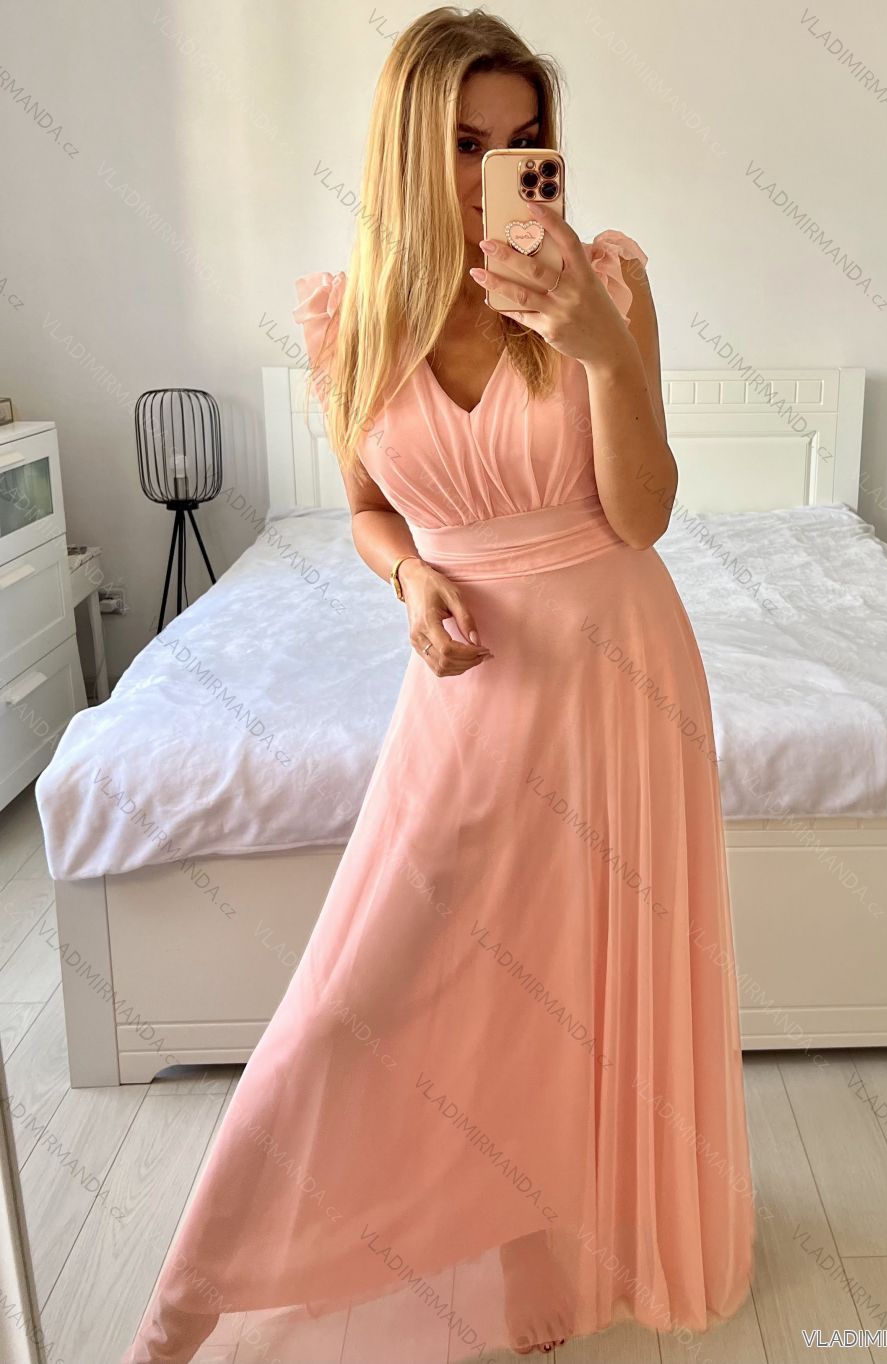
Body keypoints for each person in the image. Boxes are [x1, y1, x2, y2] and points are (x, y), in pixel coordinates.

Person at [122, 7, 755, 1361]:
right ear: (408, 151)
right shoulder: (349, 319)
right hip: (468, 685)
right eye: (467, 144)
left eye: (524, 142)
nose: (498, 172)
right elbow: (367, 509)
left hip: (622, 671)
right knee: (360, 991)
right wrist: (410, 579)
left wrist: (598, 344)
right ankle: (191, 1302)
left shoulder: (605, 282)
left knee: (581, 977)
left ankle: (547, 1247)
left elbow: (644, 516)